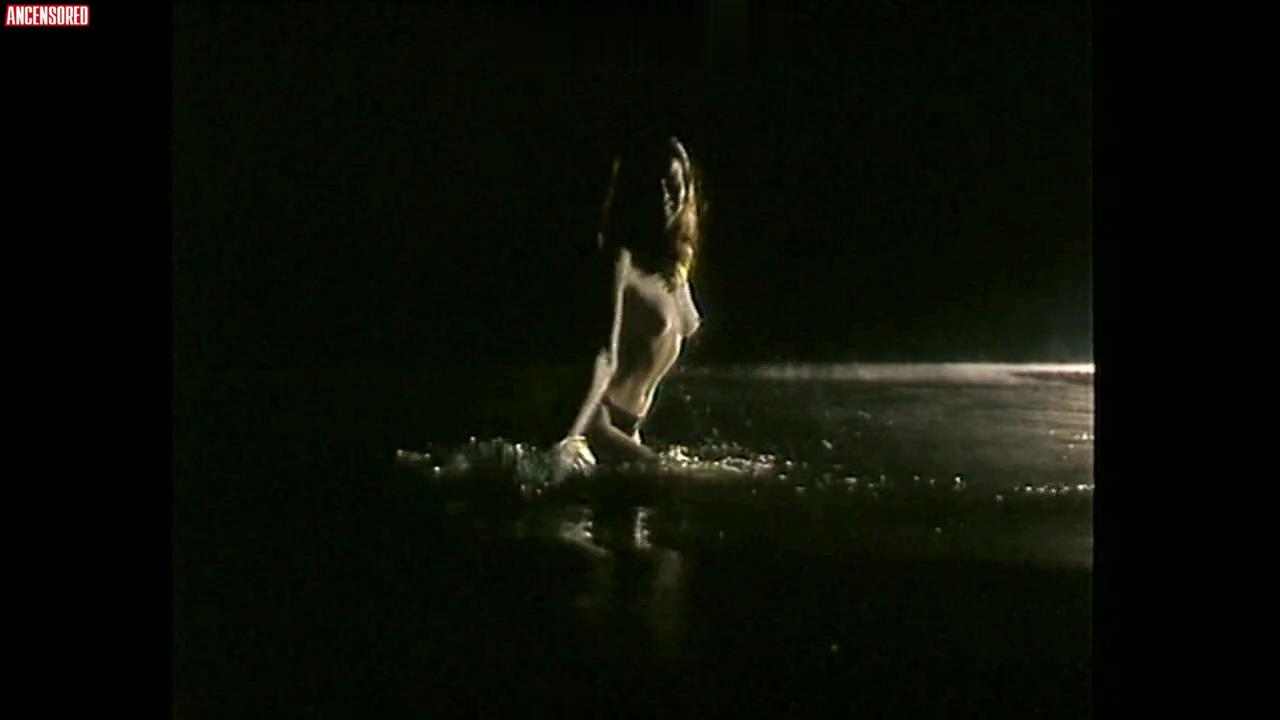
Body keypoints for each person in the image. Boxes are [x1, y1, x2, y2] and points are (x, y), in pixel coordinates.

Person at [551, 135, 704, 478]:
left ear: (686, 190)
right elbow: (604, 354)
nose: (664, 195)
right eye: (653, 186)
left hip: (629, 431)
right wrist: (567, 439)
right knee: (693, 479)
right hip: (597, 425)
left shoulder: (676, 267)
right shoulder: (618, 259)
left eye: (673, 184)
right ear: (633, 193)